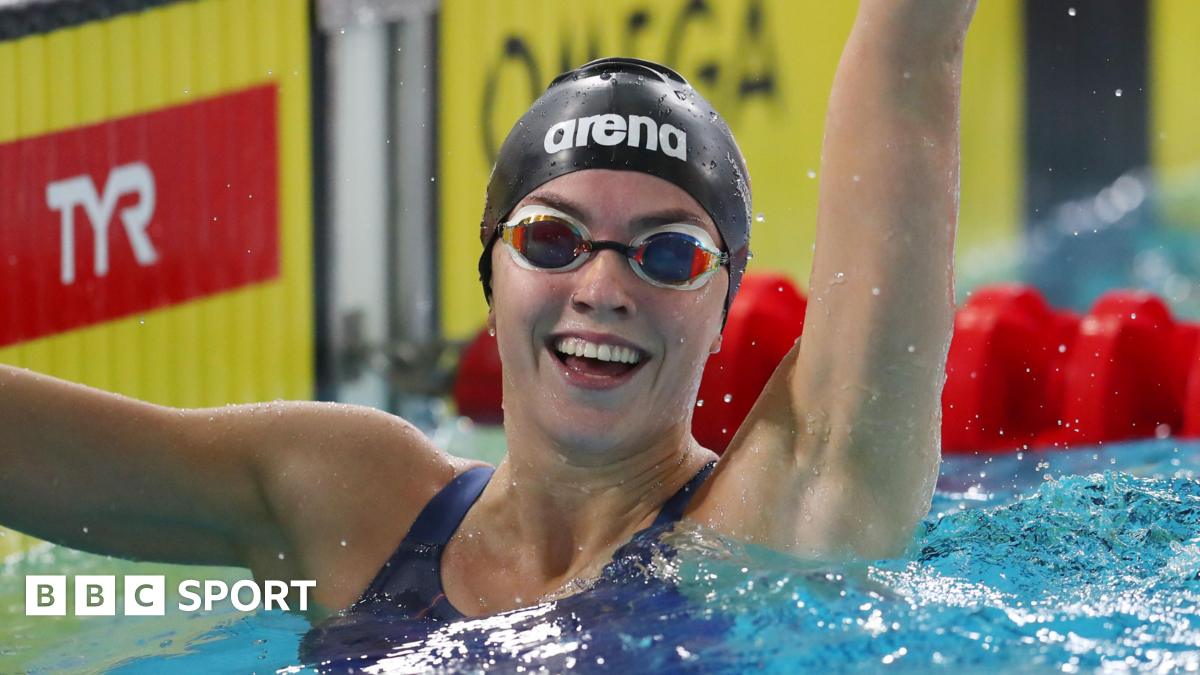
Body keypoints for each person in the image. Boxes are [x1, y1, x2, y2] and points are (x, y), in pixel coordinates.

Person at [0, 0, 976, 626]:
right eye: (553, 240)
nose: (603, 289)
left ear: (725, 304)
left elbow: (909, 59)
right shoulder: (350, 500)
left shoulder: (784, 518)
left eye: (668, 254)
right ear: (490, 273)